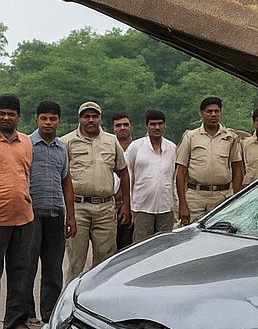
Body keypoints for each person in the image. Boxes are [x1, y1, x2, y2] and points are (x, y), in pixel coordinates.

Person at [62, 101, 131, 283]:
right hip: (78, 207)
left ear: (100, 118)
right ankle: (71, 303)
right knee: (76, 260)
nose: (91, 120)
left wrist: (126, 204)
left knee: (105, 258)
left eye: (95, 116)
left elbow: (123, 173)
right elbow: (61, 177)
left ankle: (97, 301)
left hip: (105, 208)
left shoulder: (111, 141)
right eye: (86, 116)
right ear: (79, 118)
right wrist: (67, 212)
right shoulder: (66, 142)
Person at [27, 101, 77, 326]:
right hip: (31, 215)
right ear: (36, 120)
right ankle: (27, 317)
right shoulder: (26, 145)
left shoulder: (62, 148)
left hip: (56, 214)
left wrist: (71, 216)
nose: (48, 122)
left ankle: (50, 316)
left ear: (59, 121)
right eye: (44, 118)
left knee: (53, 270)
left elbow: (67, 182)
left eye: (53, 119)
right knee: (27, 268)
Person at [0, 94, 37, 329]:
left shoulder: (26, 142)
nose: (5, 117)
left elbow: (27, 175)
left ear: (18, 117)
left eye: (10, 114)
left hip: (23, 217)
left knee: (20, 273)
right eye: (1, 113)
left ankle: (13, 326)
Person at [176, 97, 243, 225]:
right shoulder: (191, 136)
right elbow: (181, 171)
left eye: (216, 111)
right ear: (201, 113)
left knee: (221, 235)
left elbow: (238, 169)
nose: (213, 115)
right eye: (209, 111)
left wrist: (236, 199)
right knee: (192, 235)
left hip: (222, 196)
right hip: (195, 196)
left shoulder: (230, 137)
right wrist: (182, 204)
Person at [126, 110, 177, 242]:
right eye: (153, 124)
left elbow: (174, 178)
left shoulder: (171, 148)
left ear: (164, 125)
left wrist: (176, 205)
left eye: (160, 124)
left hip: (166, 207)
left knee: (164, 247)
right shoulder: (136, 147)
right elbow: (128, 177)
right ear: (146, 126)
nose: (157, 127)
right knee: (141, 247)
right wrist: (129, 206)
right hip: (142, 207)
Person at [111, 111, 134, 249]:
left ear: (131, 126)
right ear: (113, 128)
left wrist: (131, 206)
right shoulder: (108, 148)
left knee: (126, 247)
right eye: (118, 125)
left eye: (126, 124)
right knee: (107, 248)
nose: (122, 128)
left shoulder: (139, 148)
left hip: (131, 204)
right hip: (110, 205)